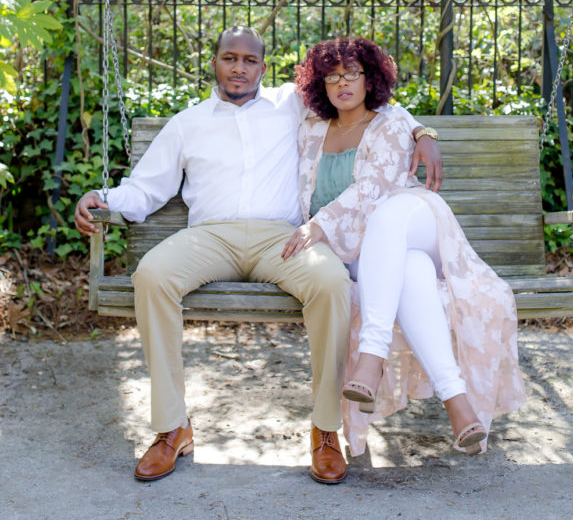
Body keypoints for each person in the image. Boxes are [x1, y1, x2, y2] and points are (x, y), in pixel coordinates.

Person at [74, 25, 442, 483]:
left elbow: (368, 100)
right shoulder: (187, 123)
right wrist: (103, 197)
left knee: (331, 282)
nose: (239, 68)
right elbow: (146, 188)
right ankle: (172, 427)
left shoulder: (291, 105)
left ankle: (326, 429)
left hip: (281, 238)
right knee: (152, 275)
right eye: (230, 58)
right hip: (211, 237)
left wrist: (421, 130)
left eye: (249, 61)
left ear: (263, 67)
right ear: (214, 62)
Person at [283, 37, 526, 459]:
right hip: (363, 253)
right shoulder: (310, 127)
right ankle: (457, 403)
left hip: (414, 221)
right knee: (411, 271)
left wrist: (421, 130)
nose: (343, 83)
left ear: (370, 78)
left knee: (387, 214)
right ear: (319, 85)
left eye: (352, 73)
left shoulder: (392, 121)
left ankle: (371, 355)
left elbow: (371, 188)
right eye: (332, 76)